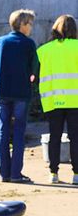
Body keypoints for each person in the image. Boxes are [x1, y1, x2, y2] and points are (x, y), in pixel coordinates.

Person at [0, 9, 39, 183]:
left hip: (1, 91)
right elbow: (35, 67)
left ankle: (4, 173)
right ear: (22, 24)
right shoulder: (28, 44)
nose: (31, 27)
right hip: (21, 92)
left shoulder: (1, 41)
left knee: (3, 130)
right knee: (19, 132)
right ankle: (16, 174)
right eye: (30, 23)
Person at [37, 14, 78, 185]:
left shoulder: (44, 50)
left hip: (54, 101)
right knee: (76, 137)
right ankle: (76, 174)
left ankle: (53, 173)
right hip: (75, 101)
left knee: (55, 136)